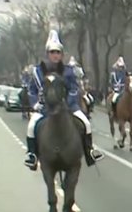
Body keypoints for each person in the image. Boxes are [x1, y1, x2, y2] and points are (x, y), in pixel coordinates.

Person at [24, 30, 103, 171]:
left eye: (58, 52)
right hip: (44, 107)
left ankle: (89, 151)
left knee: (85, 123)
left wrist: (69, 102)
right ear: (48, 54)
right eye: (52, 52)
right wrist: (35, 103)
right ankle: (32, 155)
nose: (55, 55)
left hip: (67, 107)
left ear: (62, 54)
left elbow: (73, 89)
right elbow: (32, 90)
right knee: (31, 127)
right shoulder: (37, 71)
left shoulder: (68, 71)